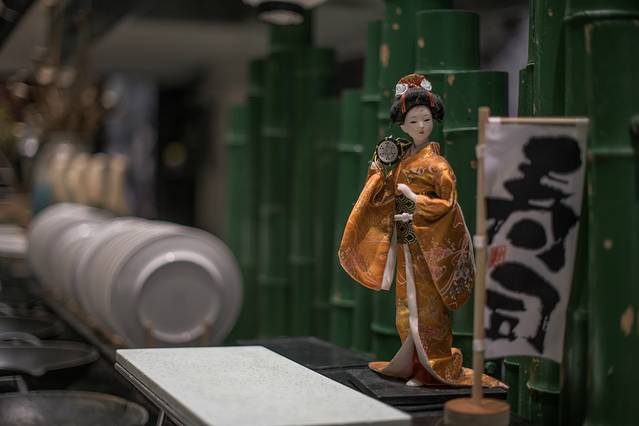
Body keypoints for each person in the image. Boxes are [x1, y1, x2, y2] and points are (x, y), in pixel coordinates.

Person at [338, 73, 502, 387]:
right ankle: (415, 366)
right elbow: (386, 194)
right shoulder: (401, 158)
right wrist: (379, 172)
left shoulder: (438, 165)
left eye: (426, 119)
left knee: (429, 308)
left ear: (434, 120)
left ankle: (435, 367)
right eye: (413, 121)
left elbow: (448, 203)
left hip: (428, 242)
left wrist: (416, 201)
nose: (421, 126)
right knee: (406, 307)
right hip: (406, 240)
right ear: (402, 126)